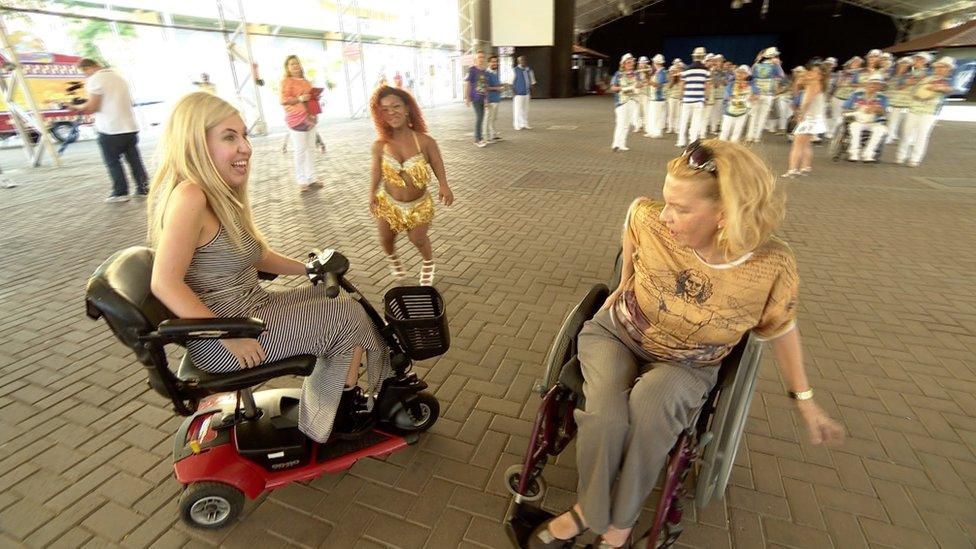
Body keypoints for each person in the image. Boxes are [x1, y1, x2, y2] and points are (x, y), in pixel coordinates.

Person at [528, 139, 843, 549]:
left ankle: (619, 526)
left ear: (725, 214)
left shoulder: (770, 266)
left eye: (681, 208)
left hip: (688, 364)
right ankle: (589, 511)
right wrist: (624, 282)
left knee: (650, 409)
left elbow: (781, 327)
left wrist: (805, 400)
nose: (667, 215)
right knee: (606, 413)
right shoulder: (653, 220)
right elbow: (634, 220)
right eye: (667, 201)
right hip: (618, 334)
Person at [148, 92, 389, 443]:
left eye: (244, 135)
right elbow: (164, 283)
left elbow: (257, 254)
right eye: (229, 137)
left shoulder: (216, 193)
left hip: (248, 312)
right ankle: (335, 413)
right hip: (226, 334)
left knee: (334, 291)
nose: (245, 147)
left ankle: (337, 394)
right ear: (195, 143)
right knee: (346, 315)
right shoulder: (190, 197)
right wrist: (232, 336)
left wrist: (309, 269)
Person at [368, 86, 455, 286]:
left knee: (418, 239)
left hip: (418, 205)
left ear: (407, 108)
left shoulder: (425, 141)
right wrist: (372, 193)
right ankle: (393, 258)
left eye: (396, 106)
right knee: (385, 239)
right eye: (385, 109)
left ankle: (428, 263)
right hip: (388, 203)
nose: (391, 112)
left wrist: (444, 185)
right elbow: (376, 171)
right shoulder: (380, 145)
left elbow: (436, 162)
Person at [69, 58, 149, 203]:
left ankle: (120, 192)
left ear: (88, 68)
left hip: (110, 128)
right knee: (134, 160)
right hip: (130, 126)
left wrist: (77, 107)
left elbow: (94, 106)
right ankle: (143, 188)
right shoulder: (119, 77)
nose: (85, 75)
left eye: (84, 71)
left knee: (113, 162)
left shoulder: (95, 80)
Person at [897, 56, 955, 167]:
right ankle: (901, 155)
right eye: (938, 67)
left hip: (930, 111)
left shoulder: (949, 80)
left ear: (948, 69)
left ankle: (915, 159)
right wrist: (918, 93)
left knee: (922, 134)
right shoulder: (926, 78)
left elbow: (949, 89)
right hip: (914, 107)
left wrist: (937, 87)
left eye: (943, 67)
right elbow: (914, 90)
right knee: (906, 132)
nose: (939, 69)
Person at [280, 55, 321, 191]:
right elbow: (283, 100)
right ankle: (301, 180)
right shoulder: (286, 81)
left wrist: (315, 97)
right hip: (296, 120)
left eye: (297, 63)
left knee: (310, 149)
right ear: (287, 67)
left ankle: (312, 178)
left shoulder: (306, 81)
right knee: (300, 150)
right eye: (292, 64)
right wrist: (299, 98)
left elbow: (310, 99)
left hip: (310, 118)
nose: (295, 66)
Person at [783, 61, 828, 177]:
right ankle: (805, 167)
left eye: (816, 72)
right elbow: (798, 93)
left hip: (809, 118)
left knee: (797, 144)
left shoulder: (814, 85)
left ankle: (792, 170)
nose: (812, 74)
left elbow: (807, 101)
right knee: (806, 144)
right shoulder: (818, 85)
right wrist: (799, 83)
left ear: (821, 75)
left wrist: (800, 115)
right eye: (812, 71)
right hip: (814, 117)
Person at [844, 74, 889, 162]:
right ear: (867, 84)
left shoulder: (883, 98)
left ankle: (868, 154)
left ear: (880, 87)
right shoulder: (856, 95)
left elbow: (884, 113)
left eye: (877, 84)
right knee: (854, 127)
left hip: (875, 122)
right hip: (858, 120)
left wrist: (877, 109)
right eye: (872, 83)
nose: (874, 86)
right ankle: (854, 153)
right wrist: (858, 109)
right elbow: (845, 109)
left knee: (880, 130)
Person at [746, 47, 785, 143]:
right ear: (773, 56)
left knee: (754, 115)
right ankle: (756, 137)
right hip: (768, 94)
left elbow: (750, 79)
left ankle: (749, 136)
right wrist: (778, 65)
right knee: (762, 116)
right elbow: (782, 76)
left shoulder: (756, 65)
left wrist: (754, 91)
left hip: (757, 93)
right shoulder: (774, 66)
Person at [676, 47, 710, 148]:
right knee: (696, 121)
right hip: (699, 100)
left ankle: (681, 141)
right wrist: (706, 98)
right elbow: (707, 86)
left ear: (693, 57)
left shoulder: (686, 69)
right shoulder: (706, 70)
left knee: (684, 120)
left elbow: (682, 85)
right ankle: (693, 141)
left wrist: (681, 97)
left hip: (687, 99)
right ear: (703, 57)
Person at [610, 54, 642, 152]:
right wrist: (624, 88)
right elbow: (612, 88)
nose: (630, 64)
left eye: (632, 62)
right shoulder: (618, 74)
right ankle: (615, 144)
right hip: (621, 102)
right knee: (620, 123)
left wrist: (638, 86)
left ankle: (622, 144)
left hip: (633, 101)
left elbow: (640, 84)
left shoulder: (636, 74)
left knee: (627, 124)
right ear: (623, 64)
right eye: (628, 62)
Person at [719, 65, 758, 143]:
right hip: (729, 112)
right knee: (724, 132)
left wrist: (753, 97)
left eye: (743, 73)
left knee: (736, 134)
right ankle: (720, 151)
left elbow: (756, 95)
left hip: (742, 113)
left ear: (747, 75)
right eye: (738, 72)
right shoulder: (731, 84)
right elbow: (728, 97)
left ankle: (732, 151)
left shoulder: (751, 86)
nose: (740, 74)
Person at [828, 56, 863, 139]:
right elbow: (837, 84)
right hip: (838, 97)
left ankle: (840, 135)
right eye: (854, 62)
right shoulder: (842, 73)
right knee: (835, 117)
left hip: (850, 100)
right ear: (850, 63)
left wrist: (854, 80)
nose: (856, 64)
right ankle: (831, 133)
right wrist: (844, 75)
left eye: (858, 63)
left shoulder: (860, 74)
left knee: (845, 118)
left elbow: (859, 86)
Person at [884, 57, 913, 144]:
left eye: (906, 63)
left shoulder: (910, 75)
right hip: (891, 101)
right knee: (891, 120)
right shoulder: (891, 75)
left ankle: (908, 139)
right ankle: (889, 136)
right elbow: (887, 87)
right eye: (902, 63)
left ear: (909, 65)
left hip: (905, 102)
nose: (903, 65)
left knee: (906, 123)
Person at [464, 52, 489, 147]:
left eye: (483, 57)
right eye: (479, 57)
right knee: (479, 118)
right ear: (476, 59)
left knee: (481, 118)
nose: (481, 59)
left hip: (482, 98)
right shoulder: (472, 70)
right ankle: (477, 139)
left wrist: (486, 98)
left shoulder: (484, 71)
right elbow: (468, 84)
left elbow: (485, 86)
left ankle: (480, 138)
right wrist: (467, 97)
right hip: (475, 97)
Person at [643, 54, 668, 138]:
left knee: (657, 116)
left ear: (655, 63)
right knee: (652, 115)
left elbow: (659, 85)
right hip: (654, 97)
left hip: (659, 98)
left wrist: (649, 82)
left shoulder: (662, 72)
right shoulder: (658, 72)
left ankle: (657, 132)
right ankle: (651, 131)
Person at [512, 55, 537, 130]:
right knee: (517, 110)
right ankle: (516, 125)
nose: (523, 61)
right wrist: (514, 92)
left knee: (525, 110)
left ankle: (524, 124)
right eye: (521, 60)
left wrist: (531, 92)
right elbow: (511, 82)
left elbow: (532, 82)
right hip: (518, 94)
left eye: (524, 60)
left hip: (527, 93)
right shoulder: (515, 70)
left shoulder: (529, 70)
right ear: (518, 61)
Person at [483, 55, 504, 142]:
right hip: (490, 99)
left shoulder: (495, 73)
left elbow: (496, 85)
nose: (495, 63)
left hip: (496, 99)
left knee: (494, 118)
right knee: (488, 118)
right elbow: (485, 87)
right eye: (493, 61)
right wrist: (498, 88)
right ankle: (485, 136)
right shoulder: (486, 73)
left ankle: (493, 135)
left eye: (496, 61)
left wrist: (501, 87)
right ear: (489, 63)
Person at [634, 56, 652, 133]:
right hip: (638, 93)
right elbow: (636, 81)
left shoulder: (649, 70)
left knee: (646, 110)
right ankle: (638, 126)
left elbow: (648, 79)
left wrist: (645, 71)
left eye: (643, 63)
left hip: (646, 93)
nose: (641, 64)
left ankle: (647, 127)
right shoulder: (637, 71)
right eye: (641, 63)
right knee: (637, 110)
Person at [665, 65, 683, 134]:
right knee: (671, 114)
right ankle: (670, 128)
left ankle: (676, 128)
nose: (673, 72)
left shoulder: (680, 78)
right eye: (672, 71)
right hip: (672, 98)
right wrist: (673, 78)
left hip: (678, 98)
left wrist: (678, 77)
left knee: (678, 114)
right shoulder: (669, 78)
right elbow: (669, 86)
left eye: (674, 70)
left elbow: (682, 87)